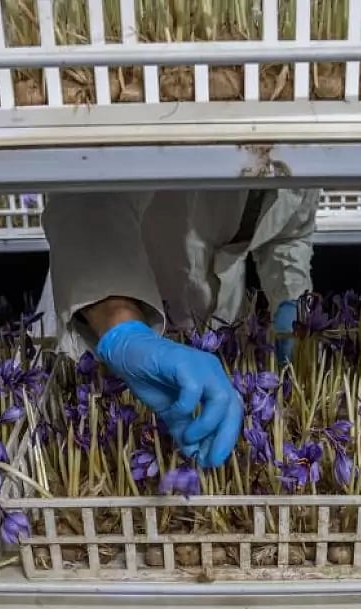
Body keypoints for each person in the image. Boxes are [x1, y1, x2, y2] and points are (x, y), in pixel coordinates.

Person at [43, 189, 319, 470]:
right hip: (108, 303)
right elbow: (86, 197)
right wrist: (121, 327)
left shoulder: (314, 150)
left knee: (204, 421)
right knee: (108, 434)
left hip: (218, 320)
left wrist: (290, 298)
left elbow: (288, 232)